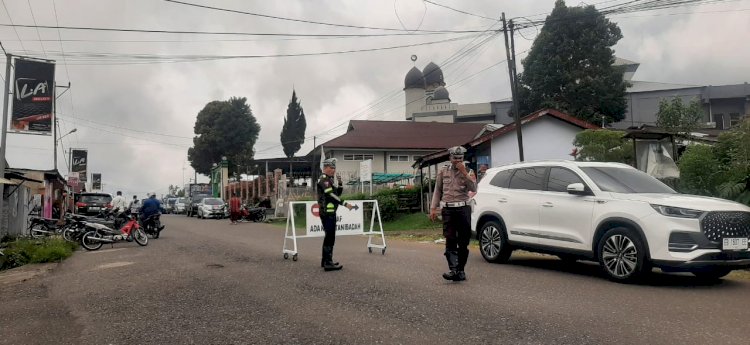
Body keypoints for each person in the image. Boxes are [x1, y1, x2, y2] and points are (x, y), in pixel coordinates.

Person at [430, 146, 477, 282]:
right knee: (450, 239)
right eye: (455, 158)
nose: (457, 160)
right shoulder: (443, 171)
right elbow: (438, 191)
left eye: (460, 158)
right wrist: (433, 208)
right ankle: (454, 270)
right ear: (450, 158)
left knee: (463, 241)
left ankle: (460, 270)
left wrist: (464, 173)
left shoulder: (469, 171)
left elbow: (473, 188)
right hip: (448, 210)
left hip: (463, 209)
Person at [317, 158, 354, 271]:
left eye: (334, 168)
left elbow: (336, 193)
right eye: (331, 168)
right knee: (330, 237)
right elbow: (331, 195)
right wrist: (344, 203)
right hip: (327, 213)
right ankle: (328, 263)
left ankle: (325, 261)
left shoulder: (329, 180)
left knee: (329, 236)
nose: (333, 170)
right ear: (325, 167)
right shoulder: (324, 179)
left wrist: (341, 184)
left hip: (330, 212)